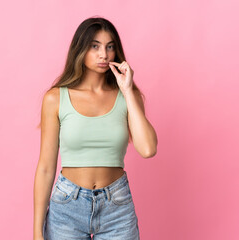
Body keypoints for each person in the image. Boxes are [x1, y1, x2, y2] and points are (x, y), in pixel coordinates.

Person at [33, 16, 158, 240]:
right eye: (95, 46)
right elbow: (45, 167)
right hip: (67, 206)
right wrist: (37, 231)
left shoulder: (127, 96)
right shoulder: (55, 98)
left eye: (110, 47)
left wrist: (128, 91)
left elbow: (148, 149)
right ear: (80, 50)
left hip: (116, 206)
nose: (104, 55)